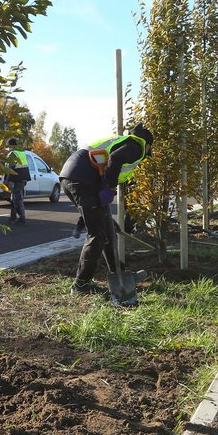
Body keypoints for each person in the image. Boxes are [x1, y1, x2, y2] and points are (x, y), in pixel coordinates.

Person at [59, 123, 153, 304]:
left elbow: (112, 164)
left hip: (75, 176)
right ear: (148, 144)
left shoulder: (123, 141)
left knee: (108, 231)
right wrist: (109, 187)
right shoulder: (137, 145)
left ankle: (119, 274)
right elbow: (115, 159)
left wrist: (106, 188)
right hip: (82, 179)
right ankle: (80, 284)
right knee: (98, 235)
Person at [4, 138, 30, 225]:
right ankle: (13, 217)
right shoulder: (21, 153)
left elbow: (10, 169)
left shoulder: (12, 154)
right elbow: (25, 166)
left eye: (8, 146)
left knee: (17, 199)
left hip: (16, 180)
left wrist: (6, 180)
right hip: (22, 179)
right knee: (15, 198)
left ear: (11, 146)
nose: (8, 148)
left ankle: (21, 218)